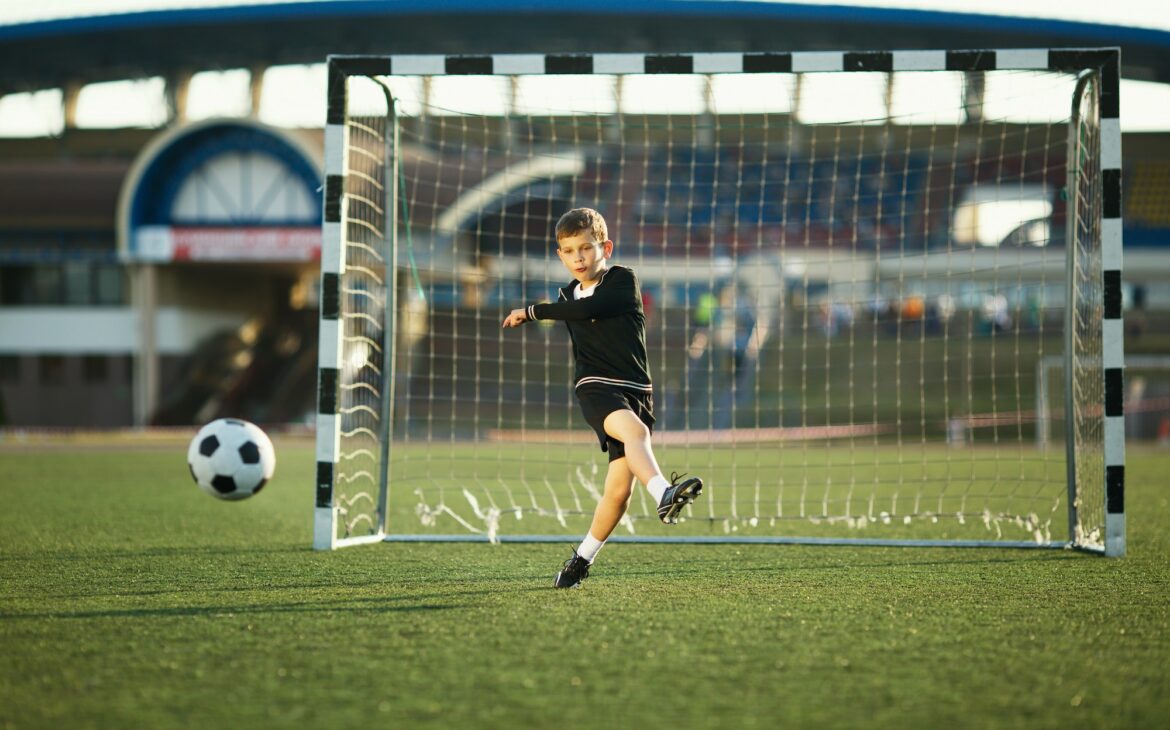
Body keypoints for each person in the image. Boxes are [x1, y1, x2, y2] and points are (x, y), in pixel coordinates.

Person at [502, 207, 703, 589]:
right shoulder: (566, 294)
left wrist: (531, 311)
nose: (578, 257)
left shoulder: (622, 280)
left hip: (637, 390)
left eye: (586, 248)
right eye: (569, 250)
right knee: (635, 433)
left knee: (618, 490)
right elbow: (574, 308)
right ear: (559, 255)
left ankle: (581, 559)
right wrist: (538, 312)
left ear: (605, 247)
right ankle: (664, 493)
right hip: (595, 385)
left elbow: (589, 309)